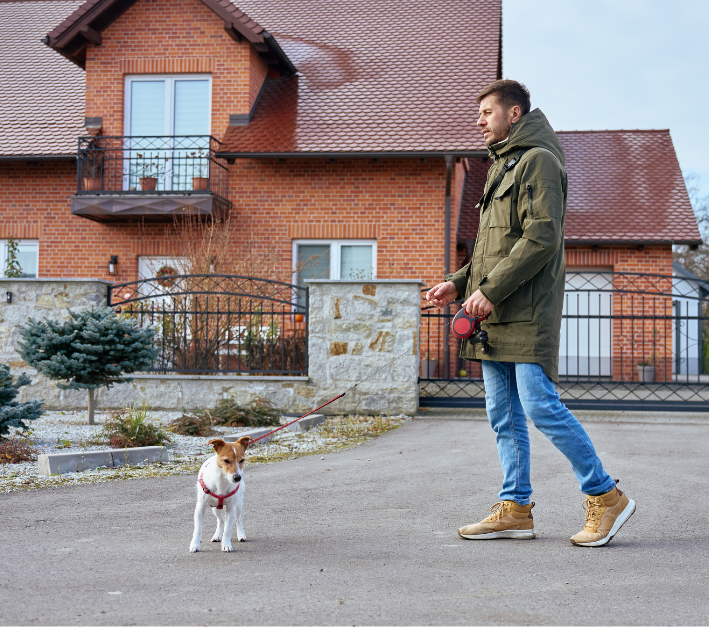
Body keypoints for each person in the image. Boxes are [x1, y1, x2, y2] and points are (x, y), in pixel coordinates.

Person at [426, 80, 635, 546]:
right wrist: (458, 284)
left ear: (514, 113)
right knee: (503, 414)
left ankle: (606, 495)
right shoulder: (504, 164)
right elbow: (491, 247)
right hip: (496, 313)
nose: (478, 120)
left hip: (525, 310)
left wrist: (491, 291)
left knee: (539, 405)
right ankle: (516, 508)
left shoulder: (539, 161)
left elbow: (541, 238)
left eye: (486, 112)